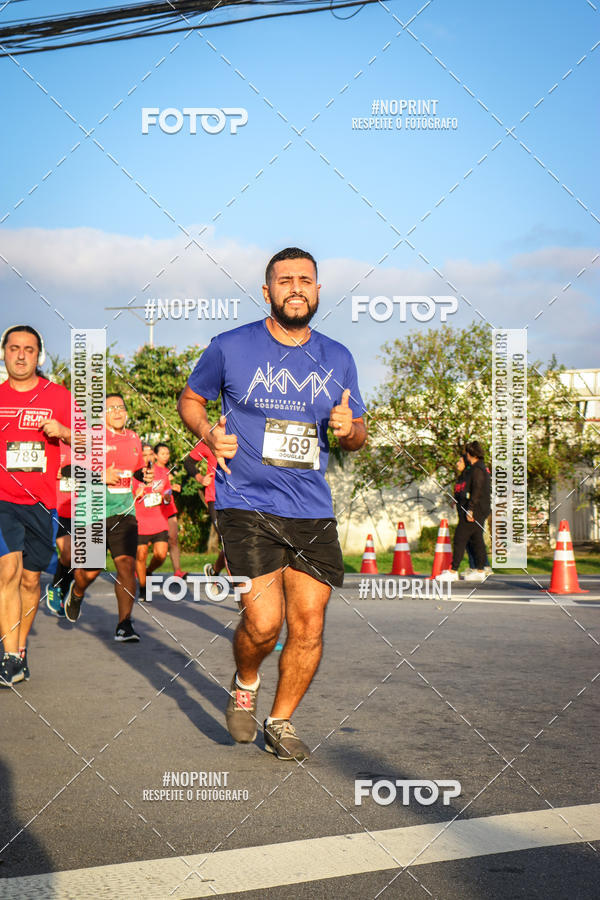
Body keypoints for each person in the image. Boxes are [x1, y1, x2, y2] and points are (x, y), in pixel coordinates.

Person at [178, 247, 367, 761]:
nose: (296, 288)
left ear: (319, 289)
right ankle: (245, 680)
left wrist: (350, 432)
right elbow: (191, 398)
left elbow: (357, 432)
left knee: (309, 621)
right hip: (246, 502)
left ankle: (280, 721)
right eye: (285, 280)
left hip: (310, 508)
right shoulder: (230, 346)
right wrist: (207, 430)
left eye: (306, 279)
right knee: (263, 623)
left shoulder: (339, 357)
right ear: (268, 291)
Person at [0, 325, 72, 685]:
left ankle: (20, 649)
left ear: (38, 355)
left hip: (43, 502)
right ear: (4, 352)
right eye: (14, 348)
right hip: (2, 500)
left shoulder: (57, 395)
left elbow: (90, 438)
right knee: (8, 571)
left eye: (29, 349)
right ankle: (9, 656)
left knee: (30, 581)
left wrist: (64, 431)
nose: (21, 355)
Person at [63, 393, 150, 641]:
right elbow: (68, 469)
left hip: (124, 512)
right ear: (101, 414)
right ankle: (77, 592)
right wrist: (100, 476)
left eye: (120, 407)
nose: (117, 411)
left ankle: (124, 624)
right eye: (111, 408)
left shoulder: (134, 438)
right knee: (90, 572)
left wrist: (143, 480)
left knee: (126, 566)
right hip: (93, 512)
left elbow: (137, 472)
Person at [437, 441, 491, 582]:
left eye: (467, 454)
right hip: (475, 508)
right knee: (476, 539)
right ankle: (480, 570)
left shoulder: (478, 470)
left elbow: (477, 491)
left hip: (476, 509)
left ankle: (453, 570)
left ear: (471, 454)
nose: (465, 456)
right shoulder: (475, 469)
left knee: (460, 538)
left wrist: (471, 509)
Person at [183, 440, 226, 580]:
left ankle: (214, 571)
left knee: (234, 543)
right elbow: (188, 462)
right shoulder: (211, 437)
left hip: (240, 498)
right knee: (228, 541)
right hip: (215, 497)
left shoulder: (243, 434)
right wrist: (200, 478)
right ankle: (241, 585)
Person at [133, 444, 170, 601]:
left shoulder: (162, 472)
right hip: (140, 521)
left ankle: (147, 571)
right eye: (144, 454)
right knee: (140, 555)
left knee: (161, 555)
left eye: (150, 454)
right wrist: (136, 493)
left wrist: (167, 496)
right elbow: (128, 492)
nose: (147, 457)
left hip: (158, 520)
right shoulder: (134, 474)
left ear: (154, 456)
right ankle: (143, 588)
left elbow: (167, 490)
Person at [46, 441, 75, 617]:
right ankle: (57, 586)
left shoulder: (90, 446)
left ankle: (64, 591)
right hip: (60, 508)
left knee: (77, 558)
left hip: (84, 508)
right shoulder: (54, 445)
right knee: (68, 553)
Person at [154, 442, 187, 579]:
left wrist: (173, 487)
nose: (166, 456)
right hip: (155, 511)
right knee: (149, 544)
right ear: (155, 455)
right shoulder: (151, 470)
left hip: (169, 508)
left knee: (173, 539)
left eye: (167, 453)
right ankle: (144, 569)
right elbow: (153, 489)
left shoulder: (168, 471)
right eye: (162, 453)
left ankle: (178, 571)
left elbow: (166, 488)